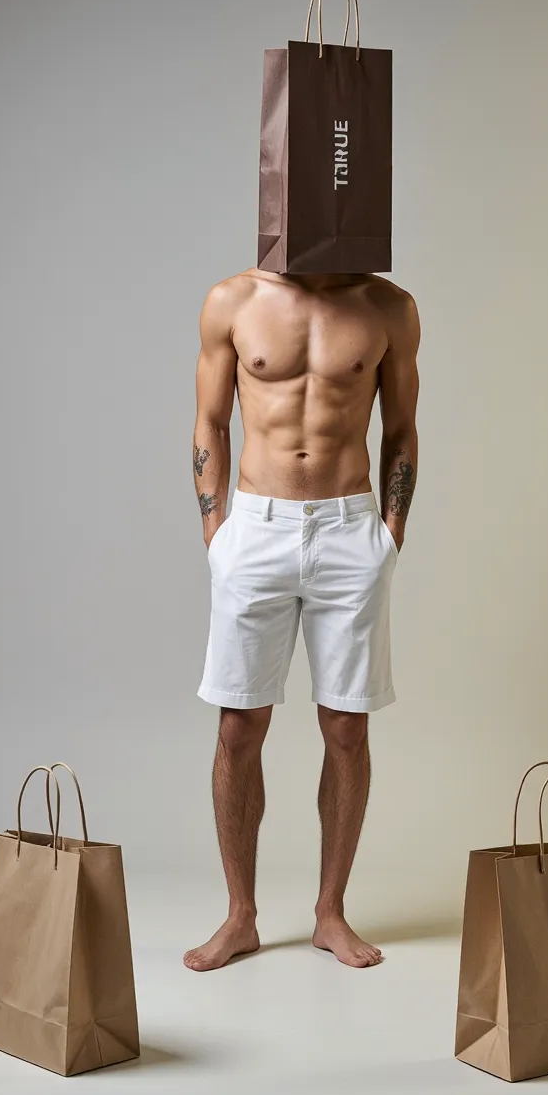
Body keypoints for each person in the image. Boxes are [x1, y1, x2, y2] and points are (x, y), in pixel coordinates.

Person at [185, 267, 420, 971]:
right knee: (238, 727)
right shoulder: (234, 300)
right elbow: (210, 419)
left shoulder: (388, 306)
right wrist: (217, 532)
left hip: (350, 528)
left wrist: (389, 533)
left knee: (347, 727)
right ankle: (240, 916)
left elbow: (402, 426)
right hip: (255, 528)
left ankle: (330, 913)